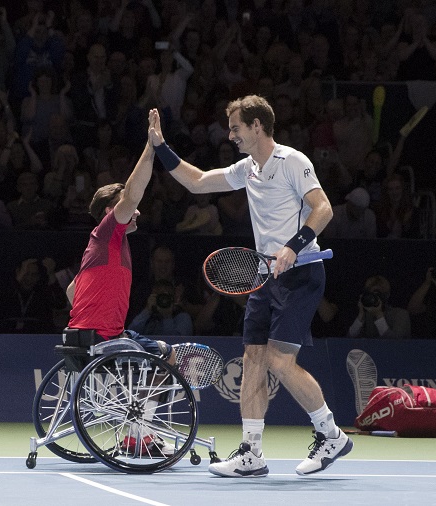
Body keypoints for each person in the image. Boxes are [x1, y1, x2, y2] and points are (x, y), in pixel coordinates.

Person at [148, 96, 352, 477]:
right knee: (254, 359)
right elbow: (197, 182)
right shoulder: (248, 169)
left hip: (301, 272)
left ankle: (331, 434)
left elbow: (323, 208)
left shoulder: (293, 161)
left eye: (237, 128)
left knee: (278, 360)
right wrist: (161, 147)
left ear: (257, 126)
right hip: (264, 275)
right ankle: (251, 452)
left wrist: (293, 246)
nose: (231, 135)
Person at [65, 122, 177, 457]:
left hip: (89, 334)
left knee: (156, 351)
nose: (137, 209)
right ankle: (136, 435)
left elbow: (72, 290)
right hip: (103, 338)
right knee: (166, 356)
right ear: (110, 212)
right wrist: (151, 147)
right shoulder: (108, 232)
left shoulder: (103, 247)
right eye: (126, 205)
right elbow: (134, 191)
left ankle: (136, 433)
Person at [0, 257, 56, 333]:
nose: (29, 278)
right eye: (26, 273)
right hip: (7, 337)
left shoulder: (41, 292)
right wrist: (19, 277)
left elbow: (60, 303)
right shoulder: (8, 289)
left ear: (38, 276)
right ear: (18, 272)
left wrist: (51, 274)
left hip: (37, 338)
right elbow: (0, 301)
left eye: (34, 275)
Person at [347, 275, 411, 339]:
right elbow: (350, 338)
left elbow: (395, 342)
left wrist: (379, 315)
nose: (375, 298)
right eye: (372, 294)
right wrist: (360, 315)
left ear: (386, 295)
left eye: (378, 294)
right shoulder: (366, 316)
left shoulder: (400, 314)